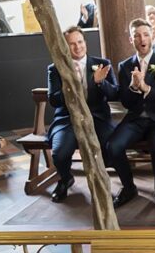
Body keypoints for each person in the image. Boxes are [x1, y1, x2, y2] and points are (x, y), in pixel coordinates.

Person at [106, 19, 155, 210]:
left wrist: (147, 88)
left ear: (152, 37)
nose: (142, 39)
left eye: (146, 34)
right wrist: (132, 87)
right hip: (136, 119)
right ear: (131, 40)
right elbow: (126, 103)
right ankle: (129, 187)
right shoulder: (125, 66)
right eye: (137, 36)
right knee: (113, 145)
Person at [46, 27, 116, 202]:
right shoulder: (56, 68)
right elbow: (53, 100)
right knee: (59, 154)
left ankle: (103, 183)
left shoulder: (102, 63)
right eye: (72, 44)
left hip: (97, 117)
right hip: (67, 120)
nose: (77, 47)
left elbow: (114, 94)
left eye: (80, 42)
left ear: (85, 42)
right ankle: (65, 179)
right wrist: (72, 86)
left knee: (111, 147)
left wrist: (100, 83)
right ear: (64, 47)